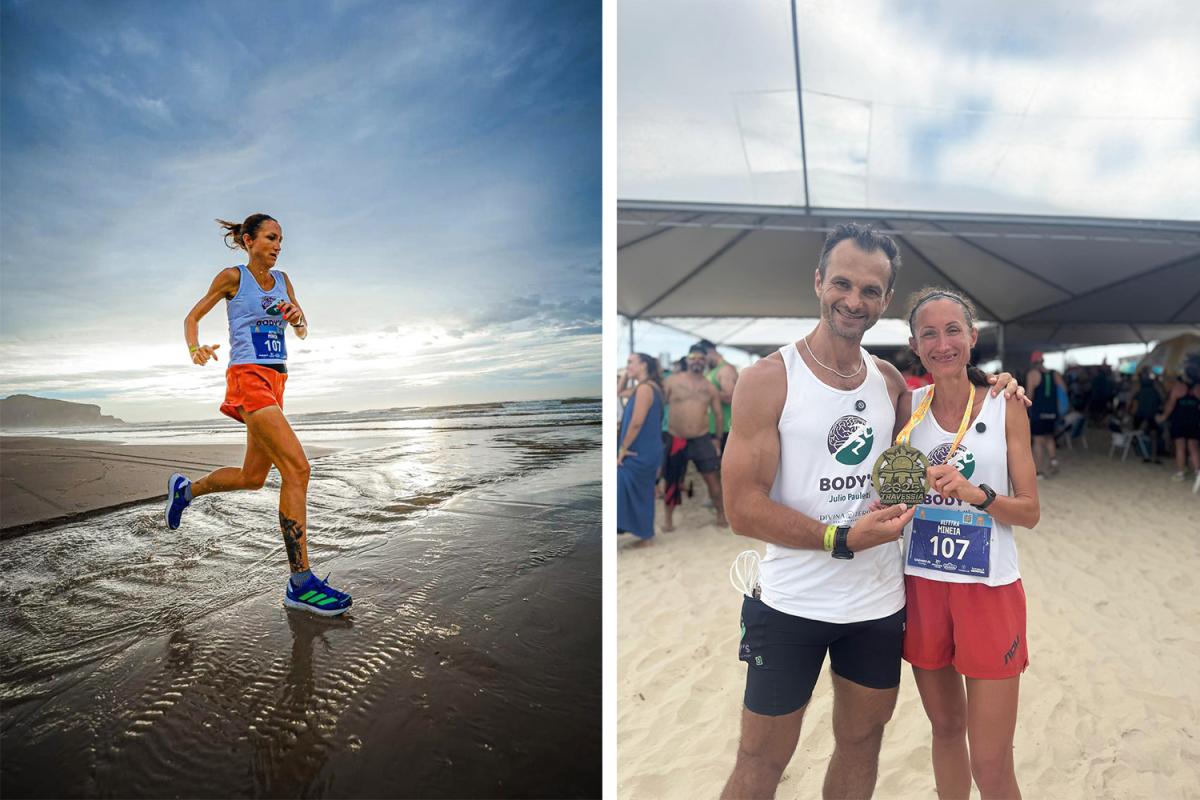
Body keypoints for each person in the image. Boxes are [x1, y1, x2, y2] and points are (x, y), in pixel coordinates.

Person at [720, 223, 1026, 800]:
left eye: (870, 291)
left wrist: (998, 381)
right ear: (818, 283)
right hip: (792, 603)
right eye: (842, 283)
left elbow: (952, 397)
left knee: (861, 745)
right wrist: (839, 537)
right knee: (761, 762)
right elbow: (742, 509)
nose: (853, 301)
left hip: (879, 605)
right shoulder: (767, 380)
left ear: (885, 301)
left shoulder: (888, 384)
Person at [165, 213, 351, 616]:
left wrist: (297, 320)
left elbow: (301, 329)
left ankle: (184, 491)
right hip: (247, 378)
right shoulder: (233, 278)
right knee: (298, 470)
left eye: (281, 239)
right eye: (270, 238)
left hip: (277, 382)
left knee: (253, 477)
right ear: (248, 241)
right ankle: (300, 582)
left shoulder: (284, 281)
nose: (277, 245)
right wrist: (194, 347)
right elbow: (192, 316)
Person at [899, 287, 1039, 800]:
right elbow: (891, 490)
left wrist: (978, 496)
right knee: (943, 730)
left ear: (973, 336)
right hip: (924, 586)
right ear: (914, 344)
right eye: (929, 334)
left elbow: (1030, 512)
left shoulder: (1006, 404)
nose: (942, 343)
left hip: (989, 590)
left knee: (991, 762)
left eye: (953, 329)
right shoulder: (907, 408)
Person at [663, 345, 727, 528]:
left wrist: (717, 439)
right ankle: (668, 520)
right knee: (672, 481)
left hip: (702, 438)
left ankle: (721, 515)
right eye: (693, 357)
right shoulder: (673, 381)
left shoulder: (709, 387)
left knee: (713, 479)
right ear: (687, 359)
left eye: (701, 358)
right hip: (676, 438)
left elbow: (718, 414)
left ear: (705, 361)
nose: (697, 361)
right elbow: (660, 404)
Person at [618, 353, 665, 546]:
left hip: (639, 451)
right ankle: (645, 535)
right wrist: (626, 375)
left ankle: (646, 535)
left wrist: (622, 449)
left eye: (630, 362)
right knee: (641, 492)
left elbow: (636, 423)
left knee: (625, 488)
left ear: (643, 365)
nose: (627, 365)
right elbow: (617, 393)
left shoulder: (645, 389)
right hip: (645, 449)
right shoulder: (644, 387)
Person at [1026, 352, 1067, 476]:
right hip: (1052, 413)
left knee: (1038, 441)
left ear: (1033, 362)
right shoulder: (1055, 374)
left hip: (1039, 413)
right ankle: (1053, 462)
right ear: (1043, 360)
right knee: (1049, 438)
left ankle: (1038, 471)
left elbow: (1029, 396)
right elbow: (1064, 390)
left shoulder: (1032, 374)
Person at [1157, 373, 1200, 481]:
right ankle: (1198, 472)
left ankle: (1181, 473)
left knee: (1180, 446)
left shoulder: (1178, 388)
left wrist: (1163, 417)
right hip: (1194, 421)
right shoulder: (1198, 388)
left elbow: (1170, 405)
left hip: (1179, 420)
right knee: (1193, 447)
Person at [699, 339, 738, 453]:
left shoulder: (725, 370)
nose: (703, 361)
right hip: (713, 428)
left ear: (710, 352)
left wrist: (706, 391)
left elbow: (731, 397)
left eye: (703, 357)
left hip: (725, 429)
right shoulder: (713, 370)